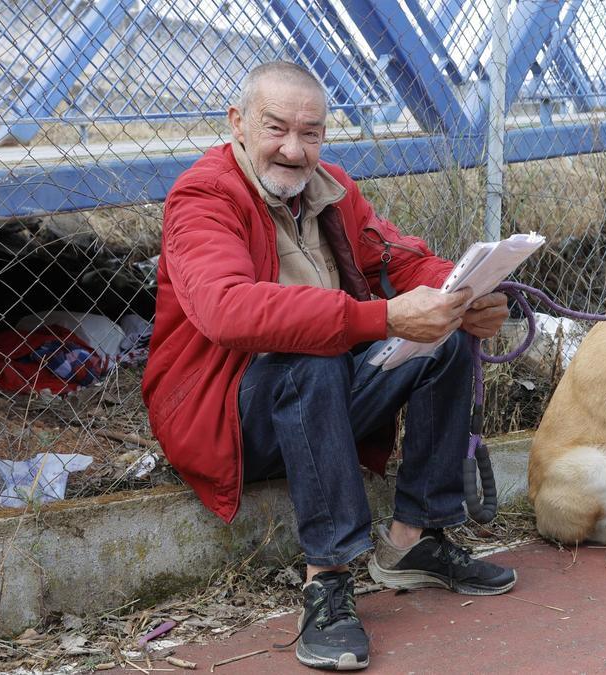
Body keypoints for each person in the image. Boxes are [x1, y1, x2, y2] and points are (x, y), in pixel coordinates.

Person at [141, 61, 516, 671]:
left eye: (310, 133)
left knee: (443, 341)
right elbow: (227, 310)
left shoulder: (331, 187)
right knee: (310, 358)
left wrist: (461, 295)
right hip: (225, 416)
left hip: (316, 398)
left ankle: (414, 540)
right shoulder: (203, 196)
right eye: (276, 129)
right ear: (237, 123)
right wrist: (385, 318)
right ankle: (329, 580)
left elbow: (396, 257)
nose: (294, 150)